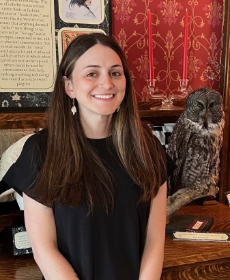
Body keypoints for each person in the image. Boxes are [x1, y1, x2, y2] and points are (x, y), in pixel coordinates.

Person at [2, 33, 171, 280]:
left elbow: (155, 240)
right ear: (69, 86)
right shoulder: (40, 151)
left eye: (115, 72)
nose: (107, 83)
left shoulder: (148, 148)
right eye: (92, 73)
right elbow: (44, 249)